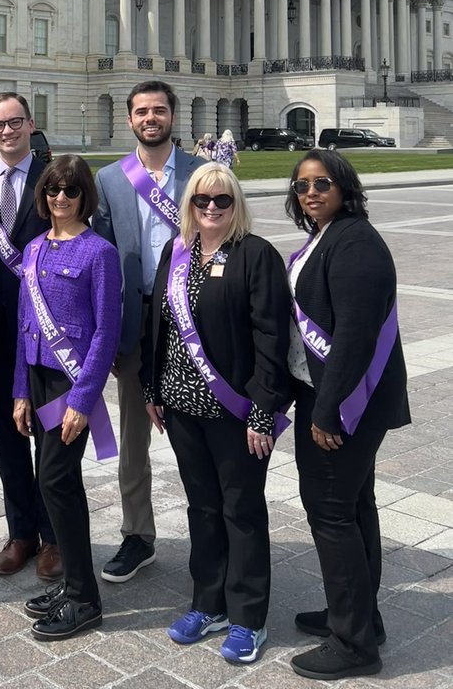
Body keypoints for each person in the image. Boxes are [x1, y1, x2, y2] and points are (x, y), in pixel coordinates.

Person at [139, 163, 291, 665]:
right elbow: (157, 322)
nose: (210, 207)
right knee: (202, 508)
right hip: (181, 409)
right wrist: (151, 386)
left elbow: (271, 337)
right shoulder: (176, 251)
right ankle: (209, 603)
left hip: (235, 413)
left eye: (222, 200)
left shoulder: (255, 255)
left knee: (240, 511)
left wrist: (263, 410)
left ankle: (248, 617)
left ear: (236, 204)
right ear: (189, 204)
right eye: (201, 199)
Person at [284, 150, 410, 681]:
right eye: (302, 185)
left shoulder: (355, 243)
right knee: (355, 506)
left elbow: (355, 336)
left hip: (345, 404)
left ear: (344, 187)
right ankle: (360, 617)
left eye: (322, 183)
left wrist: (329, 412)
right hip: (334, 396)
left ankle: (353, 644)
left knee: (332, 513)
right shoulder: (330, 235)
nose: (311, 193)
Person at [93, 80, 205, 583]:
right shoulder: (111, 179)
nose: (150, 118)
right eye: (141, 112)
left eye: (158, 110)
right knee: (134, 439)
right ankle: (137, 534)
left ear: (172, 116)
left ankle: (212, 531)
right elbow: (104, 260)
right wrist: (111, 333)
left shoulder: (203, 173)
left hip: (193, 321)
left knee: (199, 434)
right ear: (130, 119)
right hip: (137, 321)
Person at [14, 155, 121, 640]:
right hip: (37, 378)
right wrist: (19, 392)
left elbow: (106, 332)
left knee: (55, 480)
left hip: (69, 383)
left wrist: (83, 399)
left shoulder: (99, 253)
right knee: (59, 483)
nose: (61, 198)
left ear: (85, 197)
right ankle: (75, 581)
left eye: (71, 190)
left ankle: (84, 599)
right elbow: (24, 327)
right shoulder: (34, 247)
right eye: (53, 190)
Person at [0, 93, 60, 581]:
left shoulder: (54, 178)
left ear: (31, 124)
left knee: (51, 441)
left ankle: (54, 537)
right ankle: (21, 533)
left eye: (15, 122)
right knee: (9, 438)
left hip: (48, 334)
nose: (7, 131)